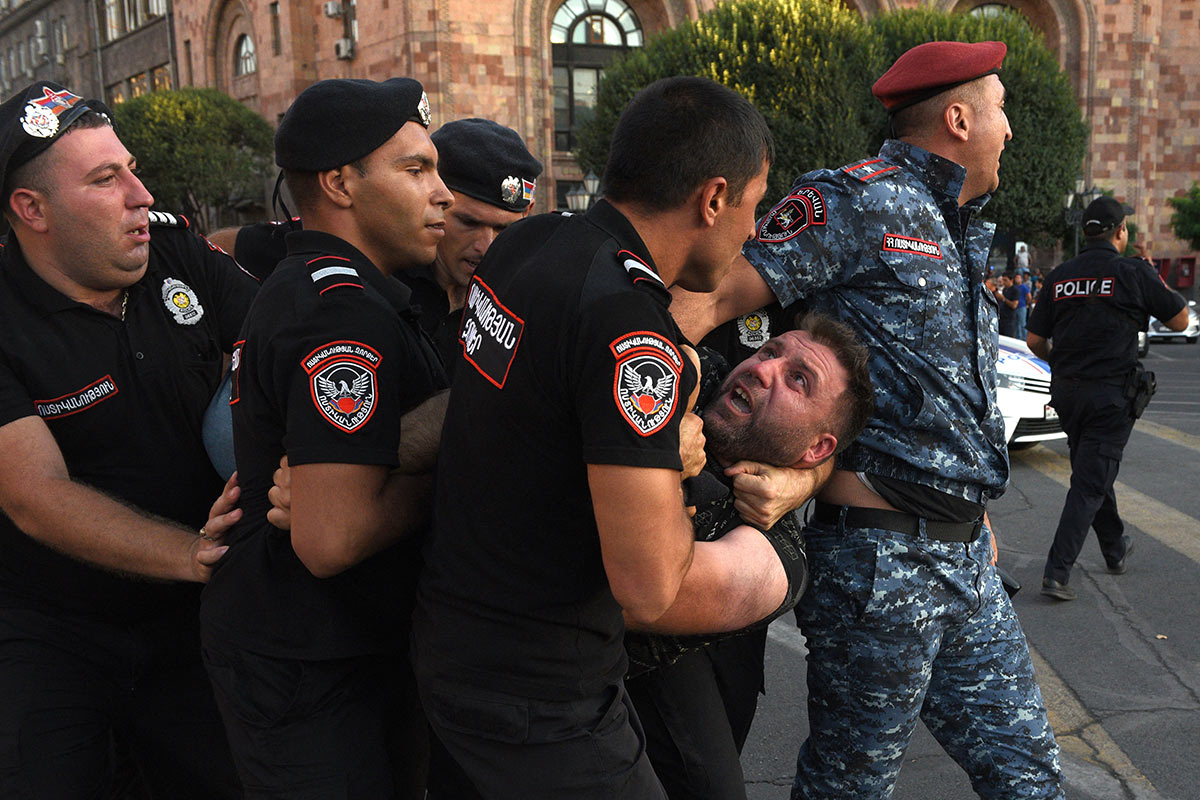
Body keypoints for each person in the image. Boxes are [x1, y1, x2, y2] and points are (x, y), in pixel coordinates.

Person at [671, 40, 1064, 799]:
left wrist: (968, 507)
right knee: (851, 787)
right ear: (958, 118)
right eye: (1002, 109)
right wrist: (639, 410)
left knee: (1028, 774)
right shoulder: (854, 198)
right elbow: (706, 301)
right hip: (879, 563)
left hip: (961, 557)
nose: (1010, 130)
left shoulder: (955, 223)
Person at [410, 76, 794, 799]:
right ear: (712, 199)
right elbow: (650, 586)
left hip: (454, 643)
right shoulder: (629, 327)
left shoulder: (532, 244)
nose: (753, 228)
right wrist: (671, 460)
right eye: (754, 203)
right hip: (543, 694)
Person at [198, 77, 451, 797]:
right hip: (308, 661)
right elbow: (330, 536)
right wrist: (445, 473)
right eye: (415, 170)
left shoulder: (335, 289)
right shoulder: (339, 315)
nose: (443, 194)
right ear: (340, 183)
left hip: (326, 649)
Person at [0, 81, 253, 798]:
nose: (140, 193)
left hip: (194, 627)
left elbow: (287, 347)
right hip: (51, 629)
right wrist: (193, 555)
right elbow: (34, 495)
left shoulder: (178, 257)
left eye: (131, 168)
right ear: (32, 210)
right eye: (106, 179)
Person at [626, 313, 874, 800]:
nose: (764, 369)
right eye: (769, 351)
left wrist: (646, 461)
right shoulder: (707, 374)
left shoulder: (774, 557)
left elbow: (638, 597)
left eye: (798, 380)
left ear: (816, 448)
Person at [208, 117, 542, 376]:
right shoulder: (369, 248)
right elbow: (219, 249)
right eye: (468, 223)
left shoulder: (529, 288)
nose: (487, 246)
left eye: (503, 229)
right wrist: (241, 346)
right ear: (436, 197)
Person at [1027, 195, 1187, 601]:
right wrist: (1151, 274)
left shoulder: (1060, 275)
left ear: (1084, 232)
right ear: (1120, 232)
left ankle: (1115, 548)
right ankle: (1057, 572)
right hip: (1110, 395)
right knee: (1089, 481)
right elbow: (1180, 319)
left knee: (1091, 471)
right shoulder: (1131, 271)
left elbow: (1034, 340)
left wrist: (1061, 360)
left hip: (1066, 391)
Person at [993, 270, 1019, 337]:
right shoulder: (1004, 290)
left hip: (1009, 321)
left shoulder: (1015, 290)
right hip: (1002, 319)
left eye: (1005, 280)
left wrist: (1003, 299)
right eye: (1003, 280)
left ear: (1011, 280)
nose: (1004, 282)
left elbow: (1014, 305)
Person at [1013, 270, 1031, 338]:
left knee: (1022, 324)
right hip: (1015, 307)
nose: (1017, 279)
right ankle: (1018, 337)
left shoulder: (1024, 286)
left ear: (1021, 279)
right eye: (1016, 278)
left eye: (1018, 278)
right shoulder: (1014, 287)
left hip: (1022, 306)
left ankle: (1024, 338)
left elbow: (1029, 296)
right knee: (1017, 324)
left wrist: (1027, 304)